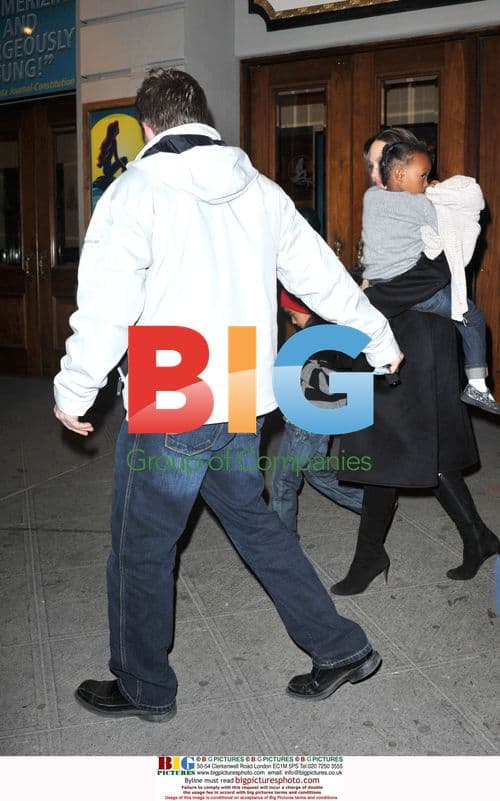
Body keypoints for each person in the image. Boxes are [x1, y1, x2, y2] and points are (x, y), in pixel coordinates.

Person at [53, 69, 403, 719]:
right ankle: (340, 648)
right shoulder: (261, 190)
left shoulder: (134, 192)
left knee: (141, 548)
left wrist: (75, 388)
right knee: (254, 522)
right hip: (240, 378)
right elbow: (321, 273)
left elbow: (106, 305)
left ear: (147, 127)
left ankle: (143, 685)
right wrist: (378, 338)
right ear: (202, 116)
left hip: (173, 381)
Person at [329, 131, 499, 596]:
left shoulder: (429, 208)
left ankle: (372, 556)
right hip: (391, 346)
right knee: (408, 451)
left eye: (378, 163)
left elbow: (433, 274)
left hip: (419, 349)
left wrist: (365, 301)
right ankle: (475, 537)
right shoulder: (388, 207)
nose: (372, 174)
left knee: (395, 451)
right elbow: (386, 270)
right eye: (369, 166)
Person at [362, 139, 499, 414]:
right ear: (400, 174)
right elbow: (451, 224)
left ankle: (381, 362)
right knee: (471, 317)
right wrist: (439, 194)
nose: (426, 183)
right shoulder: (421, 204)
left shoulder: (372, 198)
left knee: (379, 323)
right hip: (415, 288)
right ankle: (477, 386)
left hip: (379, 281)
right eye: (423, 176)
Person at [271, 288, 363, 538]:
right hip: (320, 415)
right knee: (317, 473)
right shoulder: (331, 330)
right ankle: (372, 504)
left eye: (292, 314)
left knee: (284, 481)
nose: (292, 321)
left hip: (307, 418)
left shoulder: (313, 339)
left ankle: (282, 542)